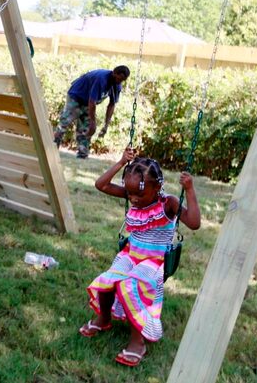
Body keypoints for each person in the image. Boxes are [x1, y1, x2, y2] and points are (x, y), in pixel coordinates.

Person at [79, 147, 201, 367]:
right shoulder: (132, 193)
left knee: (129, 287)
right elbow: (101, 185)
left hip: (153, 262)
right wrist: (120, 162)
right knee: (107, 280)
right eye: (130, 193)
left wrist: (189, 190)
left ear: (157, 187)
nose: (133, 199)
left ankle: (138, 341)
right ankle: (104, 318)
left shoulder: (169, 203)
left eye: (139, 194)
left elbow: (194, 222)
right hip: (130, 255)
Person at [53, 65, 130, 159]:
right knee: (65, 123)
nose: (119, 82)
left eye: (122, 80)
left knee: (85, 127)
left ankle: (82, 155)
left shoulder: (117, 86)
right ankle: (52, 149)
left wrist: (106, 125)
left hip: (87, 102)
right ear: (114, 73)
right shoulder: (101, 79)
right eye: (119, 79)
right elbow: (92, 101)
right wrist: (93, 122)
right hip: (76, 96)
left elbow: (112, 105)